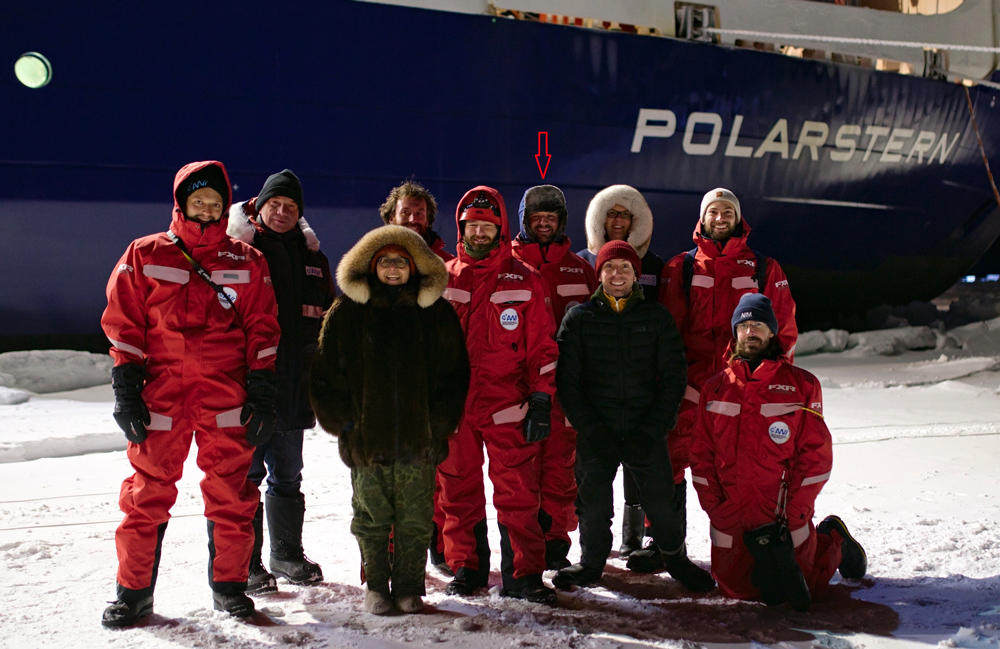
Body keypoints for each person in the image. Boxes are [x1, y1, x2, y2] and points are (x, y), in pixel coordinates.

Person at [100, 161, 280, 626]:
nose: (206, 209)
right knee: (146, 493)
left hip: (226, 392)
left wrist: (262, 390)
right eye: (198, 201)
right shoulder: (145, 253)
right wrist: (125, 388)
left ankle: (230, 589)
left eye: (215, 203)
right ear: (181, 204)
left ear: (225, 208)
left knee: (232, 494)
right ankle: (133, 593)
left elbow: (263, 328)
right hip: (163, 393)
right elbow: (124, 325)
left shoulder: (247, 259)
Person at [635, 188, 798, 572]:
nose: (720, 217)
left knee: (740, 468)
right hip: (689, 389)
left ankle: (744, 545)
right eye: (713, 211)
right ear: (702, 218)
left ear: (738, 218)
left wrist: (766, 383)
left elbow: (785, 332)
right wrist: (665, 385)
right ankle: (664, 544)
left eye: (727, 211)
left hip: (741, 390)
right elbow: (666, 332)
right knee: (669, 464)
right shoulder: (681, 268)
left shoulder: (763, 268)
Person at [309, 225, 469, 615]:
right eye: (385, 261)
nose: (394, 269)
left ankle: (410, 588)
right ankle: (377, 587)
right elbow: (324, 375)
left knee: (416, 519)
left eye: (402, 261)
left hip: (421, 442)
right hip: (368, 441)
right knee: (371, 517)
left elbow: (455, 374)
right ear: (371, 265)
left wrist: (439, 425)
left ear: (416, 266)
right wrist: (346, 425)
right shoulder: (347, 312)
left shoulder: (436, 313)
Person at [552, 241, 715, 593]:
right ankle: (592, 562)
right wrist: (591, 428)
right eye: (610, 268)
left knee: (661, 501)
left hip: (645, 429)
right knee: (593, 503)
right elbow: (567, 381)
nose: (617, 274)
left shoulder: (656, 317)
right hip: (598, 430)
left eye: (625, 268)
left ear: (636, 275)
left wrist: (654, 427)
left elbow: (674, 377)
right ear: (600, 274)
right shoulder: (580, 319)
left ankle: (676, 559)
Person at [689, 293, 867, 611]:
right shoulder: (714, 388)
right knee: (736, 589)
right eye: (743, 325)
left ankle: (833, 538)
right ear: (735, 333)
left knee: (803, 590)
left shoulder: (802, 386)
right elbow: (701, 455)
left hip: (782, 514)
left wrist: (797, 510)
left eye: (758, 324)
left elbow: (816, 456)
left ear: (772, 331)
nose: (750, 331)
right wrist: (715, 508)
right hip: (731, 514)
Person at [437, 185, 560, 604]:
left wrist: (542, 398)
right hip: (456, 408)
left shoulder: (525, 278)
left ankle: (523, 575)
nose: (480, 232)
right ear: (461, 227)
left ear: (501, 229)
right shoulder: (444, 278)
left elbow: (544, 347)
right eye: (472, 225)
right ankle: (467, 567)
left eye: (488, 226)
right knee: (457, 490)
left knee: (518, 494)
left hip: (509, 405)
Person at [227, 169, 335, 593]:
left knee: (288, 476)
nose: (283, 212)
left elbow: (327, 322)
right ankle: (245, 564)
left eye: (292, 207)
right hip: (248, 390)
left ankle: (285, 555)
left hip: (293, 389)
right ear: (259, 206)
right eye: (276, 205)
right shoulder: (238, 252)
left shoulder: (314, 261)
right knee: (245, 479)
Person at [511, 184, 597, 571]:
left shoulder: (580, 269)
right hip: (517, 386)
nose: (543, 225)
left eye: (551, 219)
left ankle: (557, 540)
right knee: (521, 468)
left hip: (567, 387)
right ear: (524, 221)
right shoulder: (506, 261)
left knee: (561, 469)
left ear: (562, 222)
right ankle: (524, 543)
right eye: (536, 219)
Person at [578, 185, 666, 558]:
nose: (617, 220)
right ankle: (594, 543)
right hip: (596, 381)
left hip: (640, 379)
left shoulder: (658, 267)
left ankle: (635, 534)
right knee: (594, 466)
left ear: (636, 221)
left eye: (625, 215)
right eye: (611, 214)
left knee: (639, 463)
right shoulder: (581, 262)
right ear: (600, 219)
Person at [380, 180, 454, 261]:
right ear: (391, 218)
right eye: (405, 212)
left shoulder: (448, 265)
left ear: (427, 221)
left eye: (419, 214)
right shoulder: (373, 262)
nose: (412, 220)